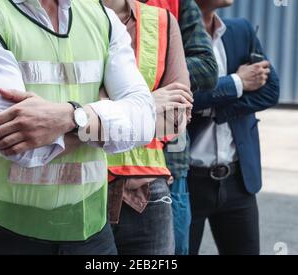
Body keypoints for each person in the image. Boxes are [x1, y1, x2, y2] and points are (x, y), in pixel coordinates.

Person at [0, 0, 156, 255]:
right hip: (6, 231)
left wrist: (72, 116)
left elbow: (144, 123)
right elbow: (22, 147)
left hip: (91, 228)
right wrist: (107, 114)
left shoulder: (102, 18)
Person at [188, 0, 280, 255]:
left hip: (238, 179)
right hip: (187, 181)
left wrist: (213, 109)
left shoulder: (241, 30)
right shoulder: (173, 35)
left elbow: (270, 92)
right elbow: (180, 96)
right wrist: (237, 82)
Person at [103, 0, 191, 255]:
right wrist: (148, 104)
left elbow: (176, 116)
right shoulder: (66, 17)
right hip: (81, 186)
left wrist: (100, 109)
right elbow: (68, 112)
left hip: (146, 190)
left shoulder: (161, 21)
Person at [143, 0, 218, 255]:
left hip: (168, 161)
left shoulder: (177, 3)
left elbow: (208, 69)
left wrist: (139, 78)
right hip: (101, 161)